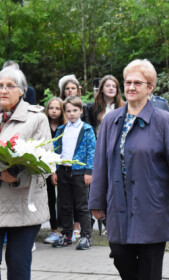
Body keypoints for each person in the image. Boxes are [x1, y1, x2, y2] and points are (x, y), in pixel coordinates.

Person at [89, 59, 169, 280]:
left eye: (138, 82)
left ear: (150, 87)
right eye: (128, 82)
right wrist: (96, 200)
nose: (131, 87)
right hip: (118, 204)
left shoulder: (163, 121)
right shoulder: (111, 120)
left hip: (152, 205)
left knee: (149, 268)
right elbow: (100, 164)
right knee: (119, 255)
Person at [0, 66, 51, 280]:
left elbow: (47, 163)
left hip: (22, 204)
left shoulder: (36, 119)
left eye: (10, 86)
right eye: (0, 86)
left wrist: (18, 178)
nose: (4, 90)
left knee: (18, 265)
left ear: (22, 90)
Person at [51, 96, 96, 250]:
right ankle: (67, 235)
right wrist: (54, 170)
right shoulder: (61, 129)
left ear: (81, 111)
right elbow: (56, 150)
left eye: (75, 110)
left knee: (82, 205)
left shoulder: (86, 129)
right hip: (63, 170)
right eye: (68, 111)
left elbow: (92, 151)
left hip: (79, 172)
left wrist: (89, 171)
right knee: (64, 205)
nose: (71, 114)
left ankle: (86, 236)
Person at [42, 97, 67, 245]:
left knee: (63, 200)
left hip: (62, 167)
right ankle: (54, 229)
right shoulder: (43, 125)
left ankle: (66, 229)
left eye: (57, 108)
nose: (54, 111)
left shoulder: (65, 127)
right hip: (46, 168)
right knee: (50, 199)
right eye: (51, 108)